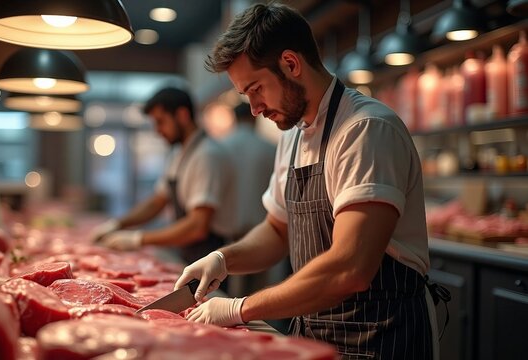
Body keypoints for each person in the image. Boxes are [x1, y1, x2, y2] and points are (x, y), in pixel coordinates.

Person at [174, 3, 440, 359]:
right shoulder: (293, 135)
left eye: (256, 89)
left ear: (291, 63)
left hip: (381, 339)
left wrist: (239, 308)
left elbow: (350, 268)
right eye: (246, 95)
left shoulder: (365, 130)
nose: (253, 109)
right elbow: (277, 230)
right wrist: (223, 258)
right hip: (316, 337)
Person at [90, 87, 236, 265]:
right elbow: (157, 201)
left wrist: (138, 239)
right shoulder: (179, 154)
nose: (157, 130)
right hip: (190, 253)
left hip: (214, 257)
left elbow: (198, 226)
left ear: (182, 115)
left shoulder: (207, 155)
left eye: (160, 122)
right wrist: (117, 224)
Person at [220, 103, 281, 298]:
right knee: (258, 290)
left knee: (228, 290)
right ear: (253, 117)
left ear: (234, 118)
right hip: (265, 227)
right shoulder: (270, 148)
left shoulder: (221, 147)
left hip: (229, 227)